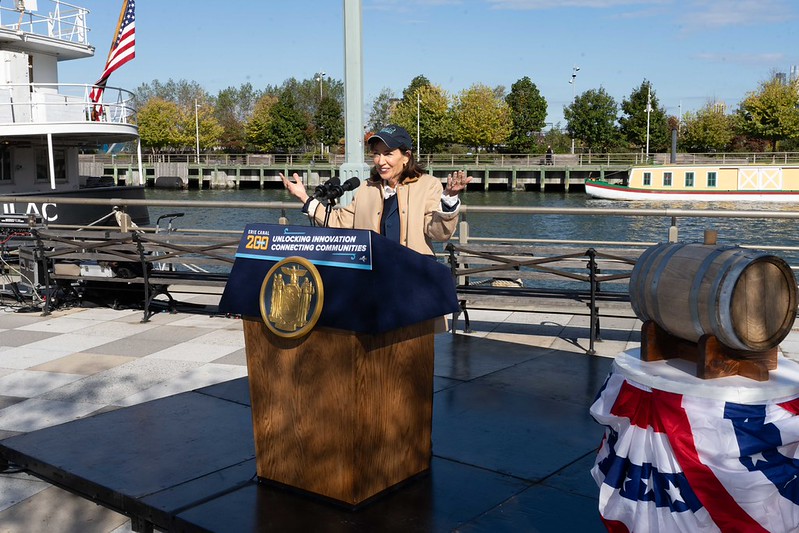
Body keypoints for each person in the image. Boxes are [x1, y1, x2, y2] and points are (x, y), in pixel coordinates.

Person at [280, 124, 472, 256]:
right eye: (376, 154)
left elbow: (439, 234)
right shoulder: (367, 188)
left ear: (406, 156)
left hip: (413, 280)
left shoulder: (427, 185)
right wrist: (304, 197)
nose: (381, 161)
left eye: (388, 154)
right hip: (373, 280)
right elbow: (339, 222)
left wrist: (449, 199)